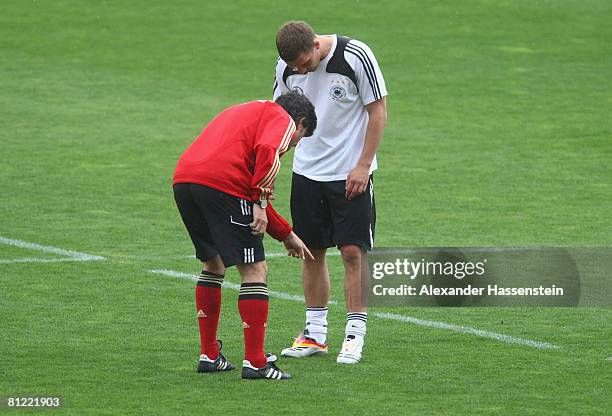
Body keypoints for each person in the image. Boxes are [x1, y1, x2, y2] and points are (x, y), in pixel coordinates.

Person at [173, 91, 317, 380]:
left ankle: (210, 355)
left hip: (185, 181)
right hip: (222, 185)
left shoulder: (246, 111)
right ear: (299, 122)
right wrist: (262, 199)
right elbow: (265, 155)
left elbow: (246, 192)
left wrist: (287, 234)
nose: (290, 144)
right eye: (297, 138)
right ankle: (256, 362)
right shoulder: (282, 119)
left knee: (213, 264)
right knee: (255, 269)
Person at [274, 21, 388, 364]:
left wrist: (363, 165)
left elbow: (378, 111)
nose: (301, 70)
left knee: (353, 252)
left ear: (314, 43)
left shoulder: (355, 56)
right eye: (295, 66)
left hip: (349, 173)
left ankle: (354, 335)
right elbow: (281, 118)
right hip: (306, 173)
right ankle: (315, 333)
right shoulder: (286, 67)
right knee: (310, 252)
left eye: (305, 62)